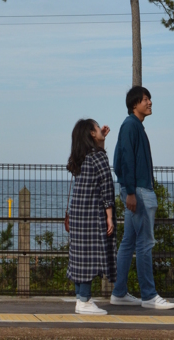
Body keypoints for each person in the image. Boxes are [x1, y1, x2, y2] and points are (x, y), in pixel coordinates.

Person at [111, 86, 174, 310]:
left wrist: (128, 188)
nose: (150, 103)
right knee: (145, 243)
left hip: (136, 190)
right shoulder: (131, 125)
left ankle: (119, 293)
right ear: (134, 104)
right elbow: (124, 160)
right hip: (138, 191)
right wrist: (129, 191)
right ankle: (149, 296)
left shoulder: (133, 126)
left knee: (128, 242)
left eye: (149, 99)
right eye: (146, 99)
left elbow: (118, 160)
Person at [67, 118, 117, 316]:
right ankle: (85, 300)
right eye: (97, 128)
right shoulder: (98, 158)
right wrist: (110, 216)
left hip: (78, 214)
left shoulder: (82, 158)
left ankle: (81, 298)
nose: (101, 128)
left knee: (79, 256)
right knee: (89, 257)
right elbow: (107, 187)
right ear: (91, 133)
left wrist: (101, 140)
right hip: (92, 215)